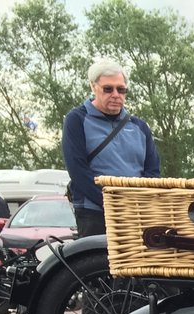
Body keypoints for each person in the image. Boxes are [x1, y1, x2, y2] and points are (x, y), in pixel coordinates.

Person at [62, 59, 160, 238]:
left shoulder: (140, 127)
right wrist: (112, 201)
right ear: (93, 87)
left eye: (121, 89)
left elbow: (152, 172)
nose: (116, 94)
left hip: (135, 214)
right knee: (97, 265)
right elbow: (77, 170)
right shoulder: (76, 120)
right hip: (94, 214)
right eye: (108, 89)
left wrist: (136, 203)